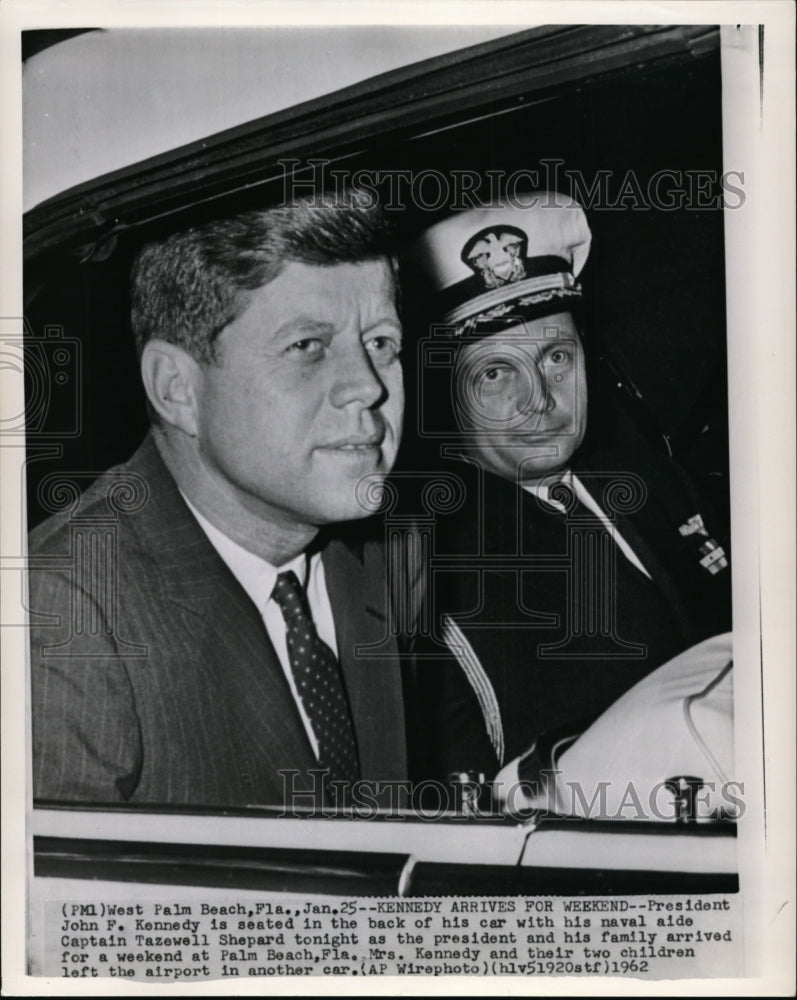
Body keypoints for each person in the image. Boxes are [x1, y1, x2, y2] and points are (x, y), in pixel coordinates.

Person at [29, 191, 409, 809]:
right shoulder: (62, 610)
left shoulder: (371, 561)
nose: (367, 386)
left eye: (383, 342)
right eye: (307, 346)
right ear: (177, 388)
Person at [404, 193, 732, 792]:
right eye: (497, 372)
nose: (541, 398)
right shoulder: (434, 572)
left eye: (557, 356)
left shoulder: (653, 480)